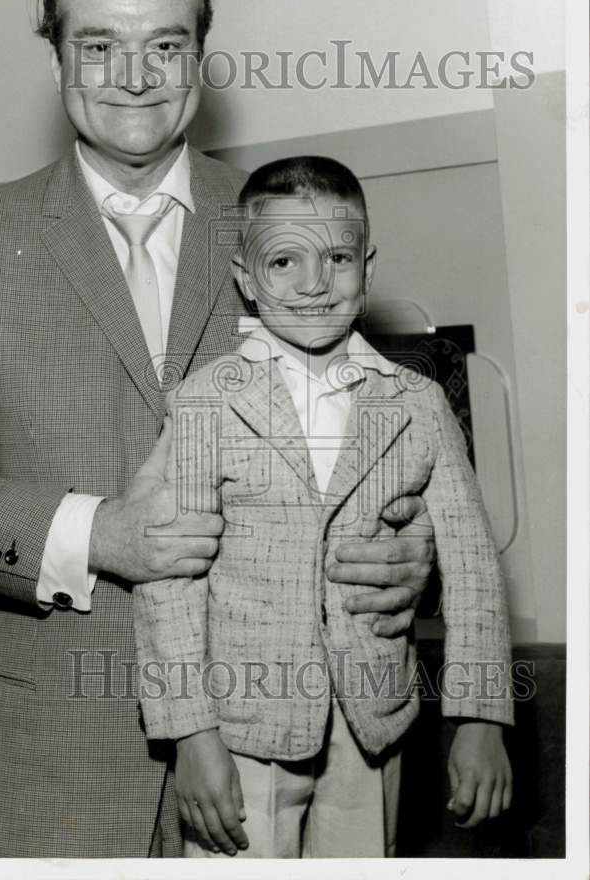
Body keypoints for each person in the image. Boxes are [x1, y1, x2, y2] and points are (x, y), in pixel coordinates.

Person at [0, 0, 436, 858]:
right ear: (56, 62)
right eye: (99, 46)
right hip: (57, 744)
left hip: (286, 737)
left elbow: (383, 445)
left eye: (164, 45)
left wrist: (407, 549)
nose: (135, 75)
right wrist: (94, 533)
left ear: (199, 59)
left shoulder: (283, 217)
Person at [133, 155, 514, 859]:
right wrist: (188, 733)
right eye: (284, 262)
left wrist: (480, 717)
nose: (313, 284)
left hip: (373, 722)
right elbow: (168, 586)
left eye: (336, 257)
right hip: (239, 725)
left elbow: (471, 569)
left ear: (366, 266)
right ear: (245, 277)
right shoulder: (201, 404)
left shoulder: (417, 403)